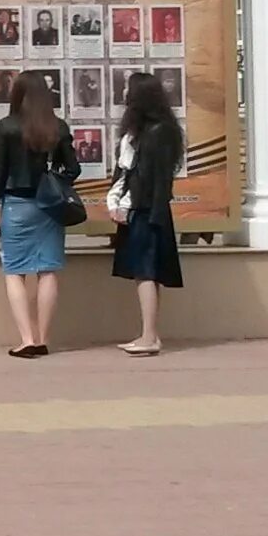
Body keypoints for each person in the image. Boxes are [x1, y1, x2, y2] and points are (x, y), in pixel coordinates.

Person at [0, 72, 81, 358]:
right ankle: (42, 338)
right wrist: (54, 178)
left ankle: (26, 339)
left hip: (17, 205)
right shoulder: (58, 127)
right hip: (51, 208)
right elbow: (74, 169)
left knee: (14, 271)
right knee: (47, 269)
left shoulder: (7, 127)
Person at [109, 71, 185, 355]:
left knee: (146, 273)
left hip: (147, 209)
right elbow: (128, 171)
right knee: (145, 274)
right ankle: (149, 334)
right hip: (140, 207)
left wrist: (130, 205)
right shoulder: (144, 131)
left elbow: (151, 177)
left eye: (129, 90)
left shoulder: (157, 133)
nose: (125, 95)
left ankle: (148, 337)